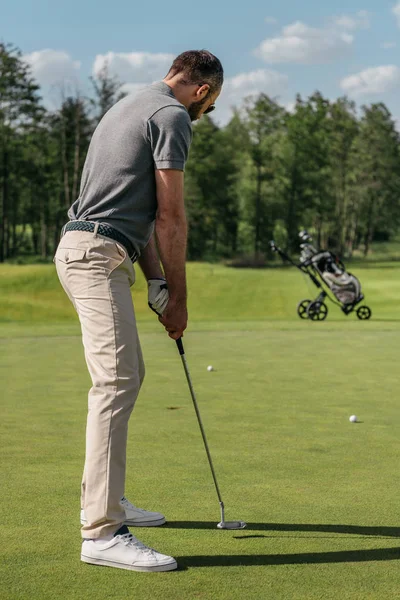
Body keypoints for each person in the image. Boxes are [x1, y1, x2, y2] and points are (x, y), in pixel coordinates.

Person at [54, 49, 223, 572]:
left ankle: (108, 498)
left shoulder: (129, 106)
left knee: (126, 374)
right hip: (95, 256)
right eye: (209, 104)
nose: (204, 112)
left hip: (99, 248)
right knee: (117, 380)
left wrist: (155, 280)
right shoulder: (172, 116)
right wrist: (181, 300)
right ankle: (102, 531)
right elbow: (171, 217)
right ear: (202, 90)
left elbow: (132, 212)